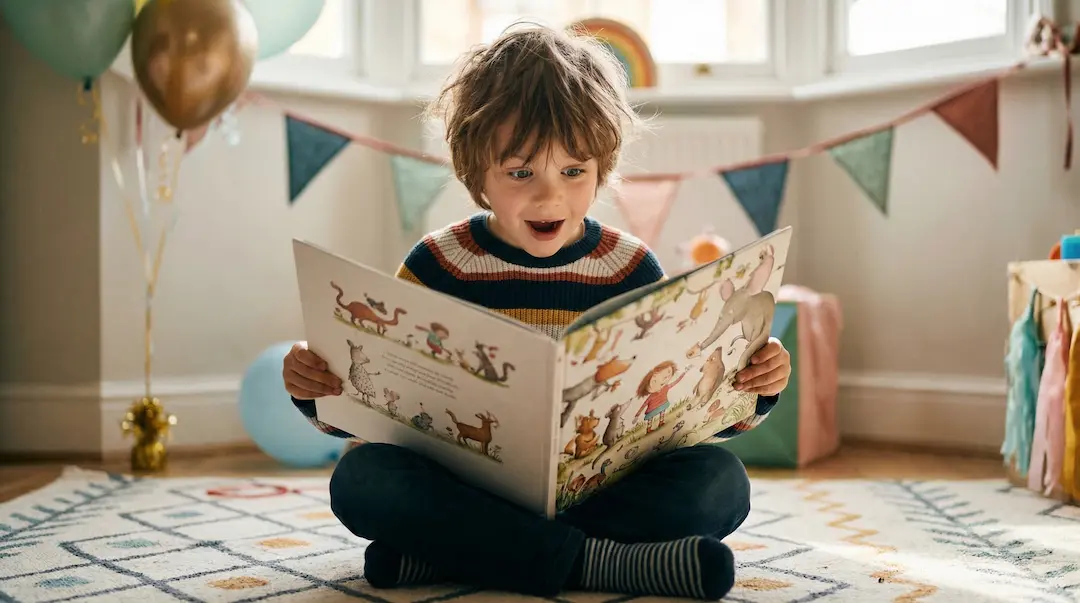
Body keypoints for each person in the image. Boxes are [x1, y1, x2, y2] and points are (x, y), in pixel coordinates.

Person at [282, 23, 792, 601]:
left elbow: (682, 416)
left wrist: (757, 385)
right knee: (362, 481)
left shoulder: (632, 268)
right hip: (465, 486)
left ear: (602, 167)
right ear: (477, 173)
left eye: (573, 172)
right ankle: (600, 565)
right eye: (521, 172)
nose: (550, 196)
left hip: (600, 486)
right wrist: (312, 387)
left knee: (720, 484)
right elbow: (370, 408)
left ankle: (457, 556)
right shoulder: (435, 264)